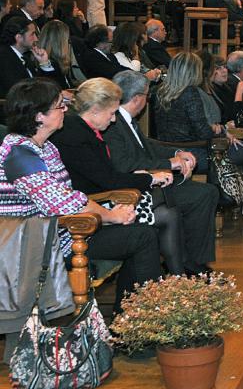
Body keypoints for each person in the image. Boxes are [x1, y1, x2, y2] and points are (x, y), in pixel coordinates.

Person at [0, 78, 161, 312]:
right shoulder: (19, 154)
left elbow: (70, 194)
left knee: (142, 234)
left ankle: (130, 319)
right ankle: (137, 321)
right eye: (59, 105)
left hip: (61, 232)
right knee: (142, 237)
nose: (66, 109)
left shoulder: (45, 147)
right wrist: (111, 216)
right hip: (37, 244)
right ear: (39, 116)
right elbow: (63, 203)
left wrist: (110, 214)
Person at [52, 77, 187, 274]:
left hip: (104, 199)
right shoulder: (75, 137)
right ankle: (170, 283)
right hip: (93, 208)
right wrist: (150, 178)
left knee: (167, 213)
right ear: (96, 109)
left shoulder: (84, 130)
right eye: (112, 113)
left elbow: (107, 176)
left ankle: (176, 279)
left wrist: (143, 176)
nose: (114, 119)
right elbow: (108, 180)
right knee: (162, 204)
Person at [153, 52, 243, 228]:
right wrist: (220, 130)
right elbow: (203, 131)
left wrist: (219, 130)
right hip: (200, 154)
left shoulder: (160, 92)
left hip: (173, 152)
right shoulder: (190, 93)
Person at [105, 70, 218, 275]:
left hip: (151, 179)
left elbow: (146, 145)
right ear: (138, 98)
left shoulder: (124, 118)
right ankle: (191, 263)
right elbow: (126, 163)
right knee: (202, 195)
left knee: (204, 193)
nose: (147, 101)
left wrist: (177, 152)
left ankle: (191, 260)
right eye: (147, 96)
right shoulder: (112, 124)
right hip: (136, 187)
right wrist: (170, 163)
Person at [0, 17, 56, 98]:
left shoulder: (25, 57)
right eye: (32, 34)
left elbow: (46, 86)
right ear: (19, 37)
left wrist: (44, 63)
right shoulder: (3, 58)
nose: (36, 39)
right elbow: (19, 92)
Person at [36, 20, 79, 90]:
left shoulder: (59, 60)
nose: (69, 44)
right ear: (60, 43)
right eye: (68, 40)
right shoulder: (47, 66)